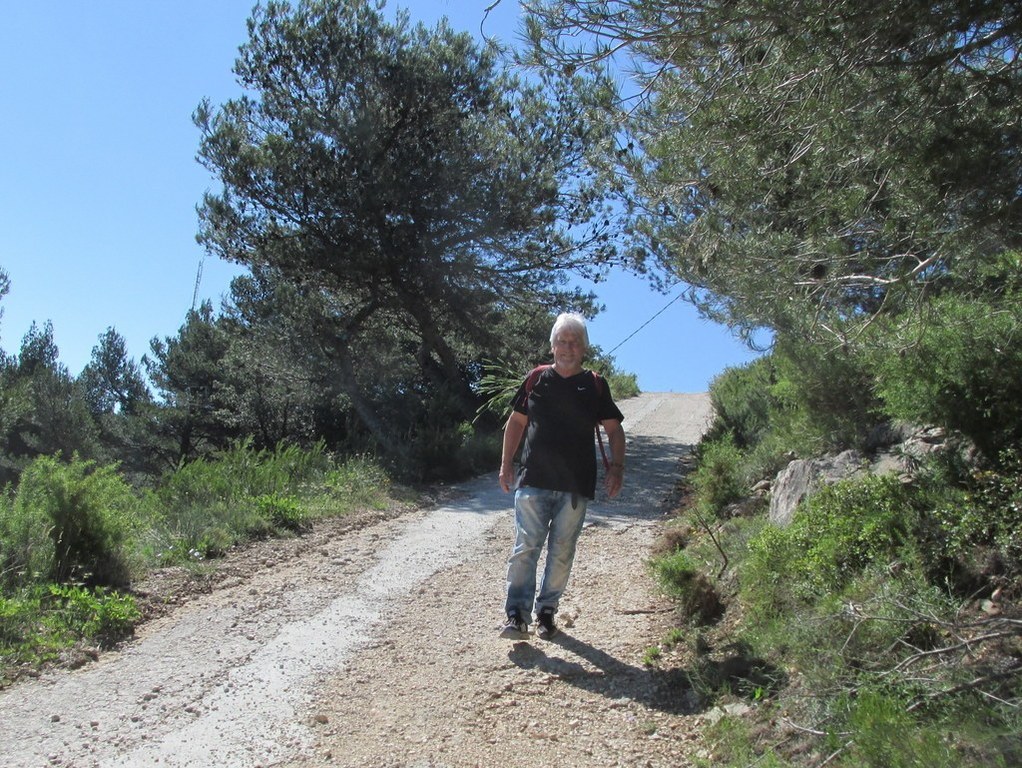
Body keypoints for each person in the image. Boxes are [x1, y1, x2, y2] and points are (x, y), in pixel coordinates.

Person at [498, 312, 626, 640]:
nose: (568, 347)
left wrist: (616, 467)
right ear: (553, 346)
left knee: (562, 550)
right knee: (526, 545)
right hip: (533, 480)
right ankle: (516, 615)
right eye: (562, 341)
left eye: (575, 342)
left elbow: (614, 429)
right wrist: (506, 464)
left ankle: (546, 612)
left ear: (584, 348)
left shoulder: (595, 385)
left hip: (574, 486)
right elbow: (516, 423)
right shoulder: (537, 378)